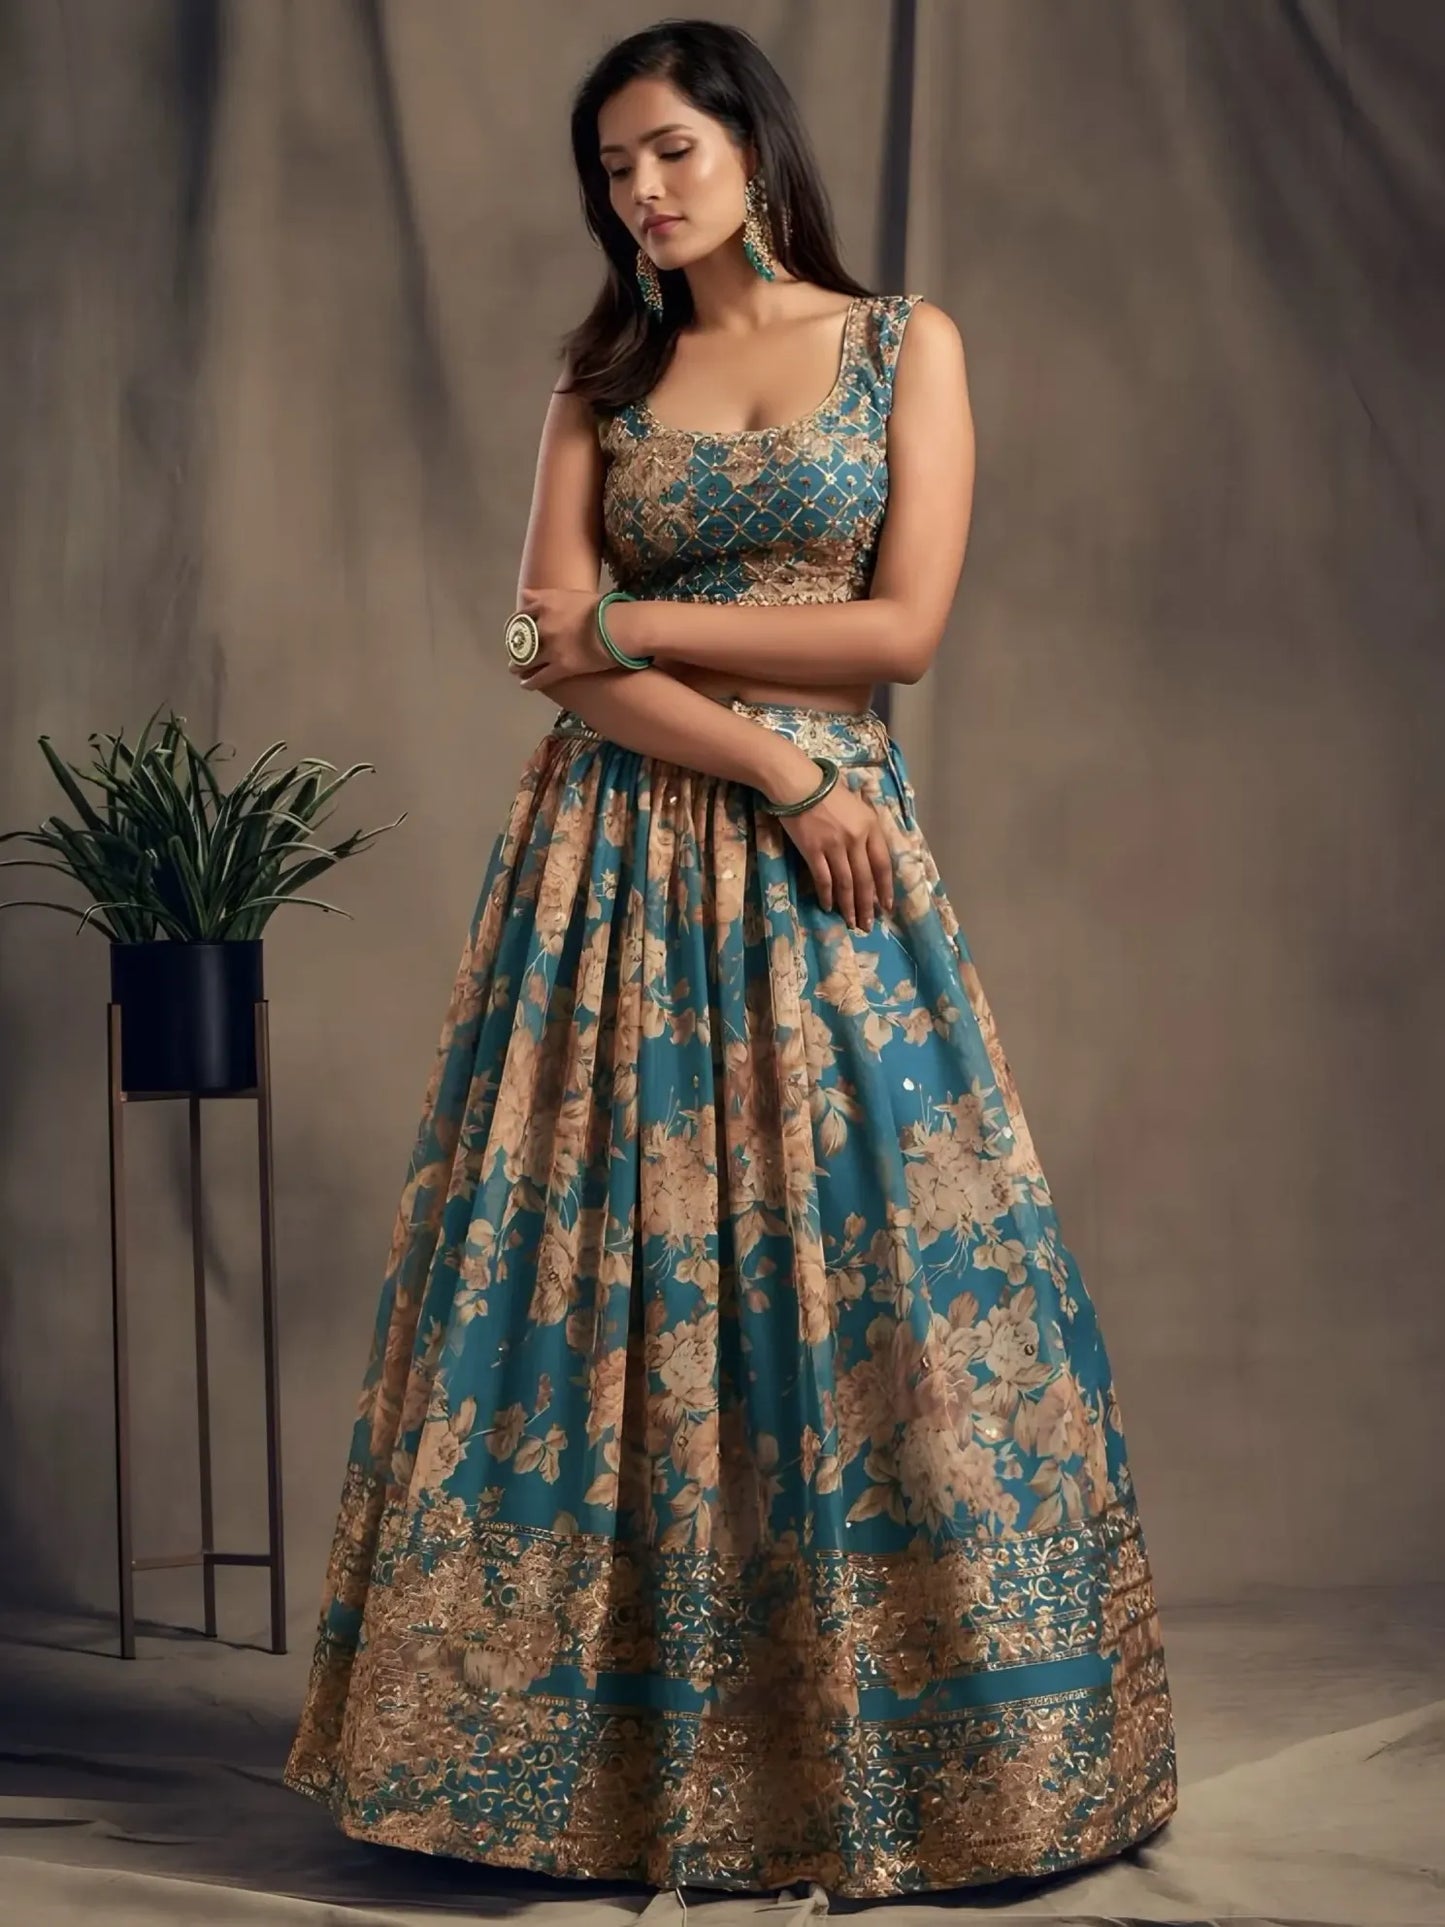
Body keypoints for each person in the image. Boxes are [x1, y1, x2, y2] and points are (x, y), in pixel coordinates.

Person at [282, 17, 1179, 1901]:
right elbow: (545, 659)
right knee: (585, 1274)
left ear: (753, 149)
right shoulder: (602, 378)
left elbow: (899, 630)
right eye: (613, 166)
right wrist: (771, 759)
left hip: (835, 874)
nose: (642, 190)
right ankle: (560, 1773)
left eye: (671, 149)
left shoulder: (897, 342)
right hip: (624, 865)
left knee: (880, 1274)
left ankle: (932, 1768)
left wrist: (623, 620)